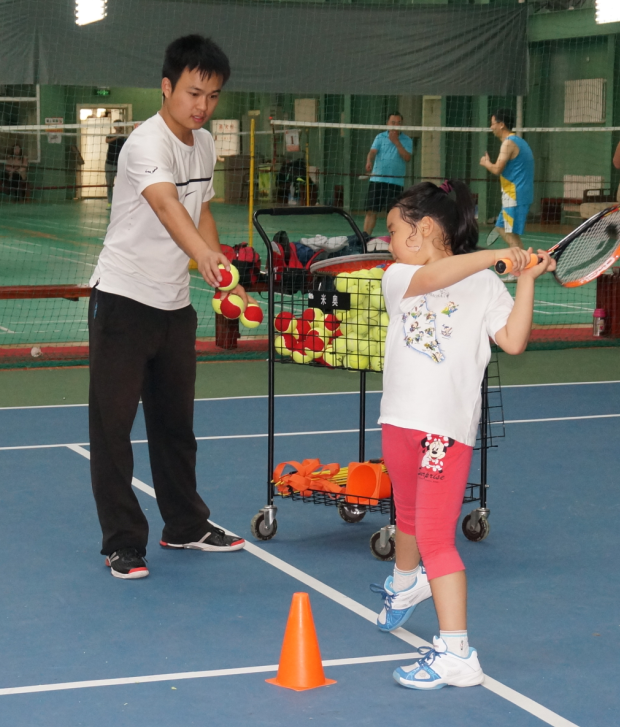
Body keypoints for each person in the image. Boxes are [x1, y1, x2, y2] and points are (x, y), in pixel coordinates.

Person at [372, 179, 554, 689]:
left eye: (393, 230)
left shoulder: (486, 285)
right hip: (398, 421)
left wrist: (526, 279)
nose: (388, 240)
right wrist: (497, 256)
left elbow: (512, 341)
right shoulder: (399, 275)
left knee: (434, 537)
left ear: (424, 228)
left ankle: (457, 655)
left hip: (443, 432)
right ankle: (405, 584)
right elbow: (436, 276)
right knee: (406, 514)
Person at [88, 34, 248, 580]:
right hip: (123, 300)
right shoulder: (144, 145)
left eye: (213, 95)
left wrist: (222, 273)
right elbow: (166, 206)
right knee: (113, 429)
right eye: (193, 93)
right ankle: (122, 542)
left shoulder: (203, 144)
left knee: (176, 426)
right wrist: (201, 255)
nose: (203, 105)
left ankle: (184, 525)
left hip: (174, 307)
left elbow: (200, 210)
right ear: (166, 86)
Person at [480, 108, 534, 257]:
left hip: (515, 194)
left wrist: (485, 163)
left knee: (508, 232)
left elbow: (497, 169)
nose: (491, 127)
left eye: (493, 123)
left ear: (501, 124)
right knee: (502, 227)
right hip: (516, 194)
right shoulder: (519, 141)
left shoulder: (508, 143)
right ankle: (523, 262)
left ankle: (523, 264)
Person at [364, 112, 413, 235]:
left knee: (393, 214)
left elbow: (407, 158)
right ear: (387, 123)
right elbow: (372, 152)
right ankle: (364, 237)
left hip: (395, 182)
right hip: (377, 180)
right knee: (371, 211)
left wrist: (396, 142)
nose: (395, 125)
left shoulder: (407, 140)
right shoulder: (380, 137)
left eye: (398, 123)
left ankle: (394, 240)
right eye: (393, 122)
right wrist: (369, 160)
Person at [104, 121, 127, 208]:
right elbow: (107, 141)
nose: (119, 127)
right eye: (117, 125)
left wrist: (122, 136)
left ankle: (121, 203)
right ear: (114, 127)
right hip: (109, 163)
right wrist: (117, 136)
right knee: (109, 184)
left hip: (120, 164)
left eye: (121, 125)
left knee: (121, 185)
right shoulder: (110, 135)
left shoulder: (125, 137)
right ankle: (110, 203)